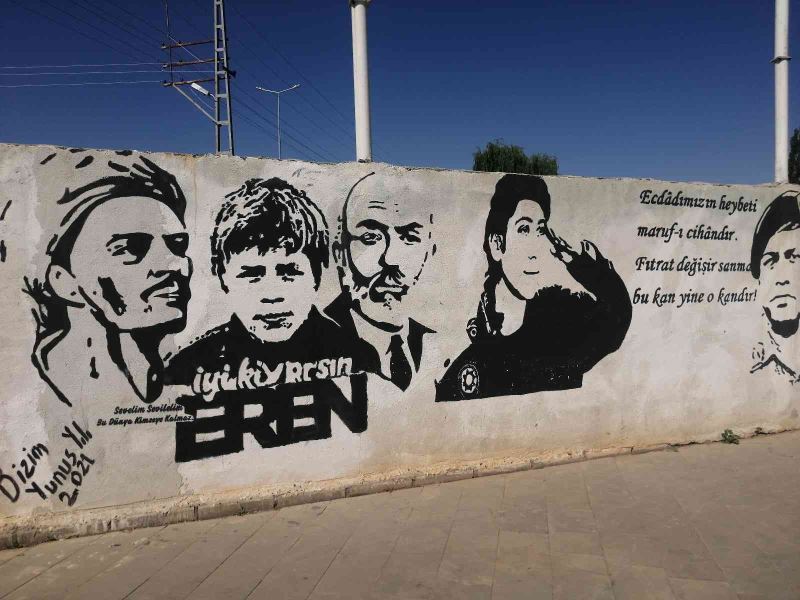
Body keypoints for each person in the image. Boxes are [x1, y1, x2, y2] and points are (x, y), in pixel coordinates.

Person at [165, 178, 373, 461]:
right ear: (223, 278)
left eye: (289, 272)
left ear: (316, 275)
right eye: (252, 274)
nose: (272, 295)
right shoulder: (187, 368)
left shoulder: (357, 357)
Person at [436, 174, 632, 401]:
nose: (536, 248)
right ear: (497, 245)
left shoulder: (562, 322)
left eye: (540, 231)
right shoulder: (470, 366)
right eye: (523, 229)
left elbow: (616, 319)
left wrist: (581, 264)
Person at [25, 156, 192, 407]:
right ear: (64, 282)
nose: (175, 265)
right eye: (130, 248)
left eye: (178, 246)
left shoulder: (167, 367)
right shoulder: (51, 391)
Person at [325, 172, 435, 391]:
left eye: (409, 237)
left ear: (430, 252)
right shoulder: (319, 337)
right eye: (371, 237)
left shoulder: (433, 340)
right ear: (340, 255)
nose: (391, 259)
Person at [750, 192, 799, 383]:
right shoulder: (756, 378)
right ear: (759, 280)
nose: (782, 279)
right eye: (770, 261)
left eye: (794, 257)